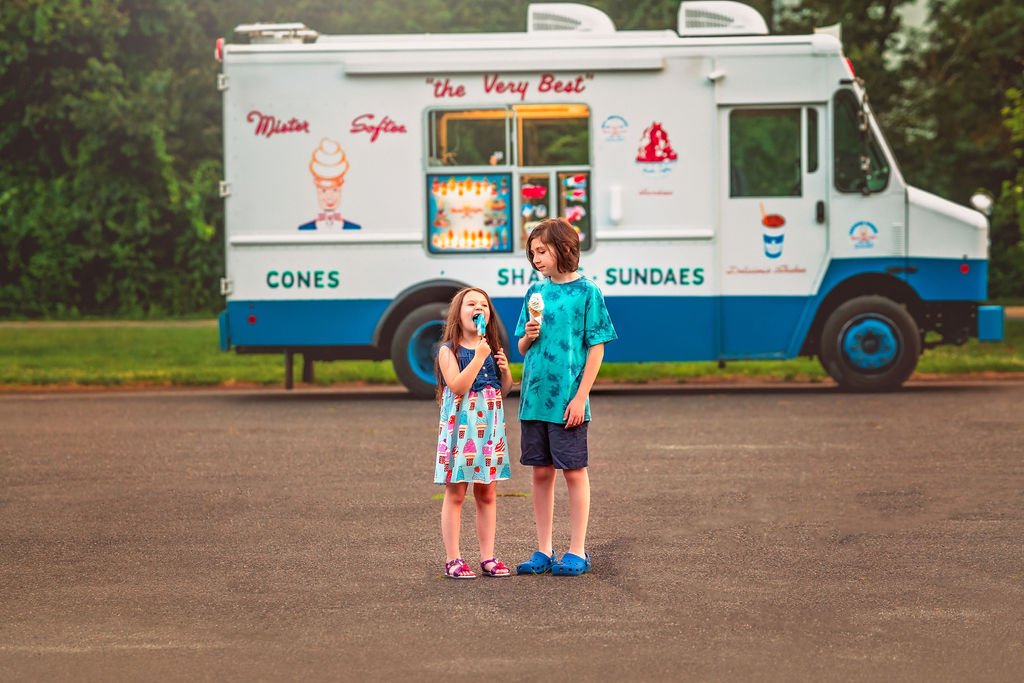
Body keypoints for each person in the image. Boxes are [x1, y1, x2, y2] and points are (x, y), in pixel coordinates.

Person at [514, 218, 616, 577]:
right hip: (534, 399)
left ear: (564, 248)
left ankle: (577, 550)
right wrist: (527, 335)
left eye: (542, 251)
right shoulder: (534, 294)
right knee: (541, 472)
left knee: (573, 471)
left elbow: (597, 347)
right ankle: (543, 549)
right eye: (532, 253)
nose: (536, 258)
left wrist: (581, 396)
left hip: (568, 400)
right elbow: (523, 347)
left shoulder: (588, 292)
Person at [434, 287, 514, 579]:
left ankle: (488, 556)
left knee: (487, 492)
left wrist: (505, 372)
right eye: (471, 304)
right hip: (461, 430)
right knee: (456, 492)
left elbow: (501, 391)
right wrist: (480, 357)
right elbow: (456, 385)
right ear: (459, 312)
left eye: (484, 305)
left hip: (489, 429)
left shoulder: (490, 349)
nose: (478, 308)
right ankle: (453, 558)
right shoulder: (449, 351)